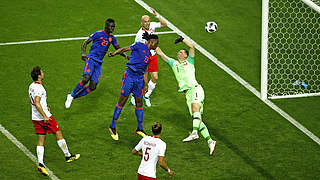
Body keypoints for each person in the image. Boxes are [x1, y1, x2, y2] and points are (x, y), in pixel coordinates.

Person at [155, 36, 217, 156]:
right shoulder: (173, 64)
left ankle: (194, 133)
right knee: (197, 119)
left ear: (185, 56)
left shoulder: (189, 62)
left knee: (195, 109)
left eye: (182, 51)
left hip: (195, 89)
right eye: (179, 51)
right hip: (188, 94)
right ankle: (210, 141)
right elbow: (161, 53)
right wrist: (151, 41)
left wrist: (182, 39)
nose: (179, 52)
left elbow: (192, 47)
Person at [65, 18, 128, 108]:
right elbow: (85, 42)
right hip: (91, 59)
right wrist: (83, 53)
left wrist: (125, 55)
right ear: (106, 26)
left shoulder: (112, 38)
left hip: (98, 63)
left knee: (93, 87)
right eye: (111, 27)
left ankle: (72, 96)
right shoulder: (98, 34)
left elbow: (118, 48)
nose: (113, 29)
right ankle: (71, 95)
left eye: (114, 27)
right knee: (86, 78)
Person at [28, 66, 80, 176]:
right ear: (39, 75)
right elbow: (37, 102)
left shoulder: (31, 86)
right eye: (41, 72)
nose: (43, 73)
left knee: (41, 139)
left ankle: (41, 164)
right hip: (45, 117)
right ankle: (68, 156)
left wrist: (45, 107)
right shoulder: (39, 88)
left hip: (35, 117)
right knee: (58, 133)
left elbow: (36, 102)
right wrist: (45, 115)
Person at [107, 33, 159, 141]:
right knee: (122, 101)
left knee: (139, 102)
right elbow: (125, 49)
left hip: (139, 79)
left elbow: (145, 70)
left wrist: (145, 84)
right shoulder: (139, 45)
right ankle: (112, 127)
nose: (157, 45)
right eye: (157, 43)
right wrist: (114, 53)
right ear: (152, 42)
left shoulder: (149, 55)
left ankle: (139, 128)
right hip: (129, 76)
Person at [131, 8, 167, 107]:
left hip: (153, 56)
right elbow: (137, 48)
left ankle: (146, 96)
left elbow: (164, 24)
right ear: (141, 22)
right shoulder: (139, 35)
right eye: (145, 22)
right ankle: (134, 95)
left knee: (155, 77)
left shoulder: (152, 25)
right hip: (144, 58)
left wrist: (157, 15)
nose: (147, 23)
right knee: (142, 80)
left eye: (148, 21)